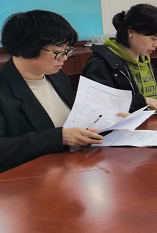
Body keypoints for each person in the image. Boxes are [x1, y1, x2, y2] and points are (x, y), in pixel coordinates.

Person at [0, 10, 103, 172]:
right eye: (58, 52)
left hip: (71, 165)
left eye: (67, 51)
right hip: (28, 177)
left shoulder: (57, 76)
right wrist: (59, 137)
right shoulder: (4, 87)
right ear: (25, 48)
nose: (65, 58)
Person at [82, 4, 157, 113]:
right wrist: (143, 101)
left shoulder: (143, 59)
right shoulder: (101, 63)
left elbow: (150, 90)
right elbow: (99, 105)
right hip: (127, 123)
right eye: (153, 39)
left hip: (151, 119)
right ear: (131, 32)